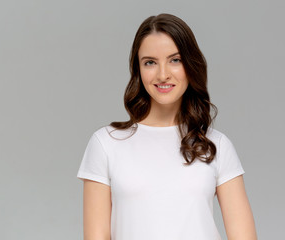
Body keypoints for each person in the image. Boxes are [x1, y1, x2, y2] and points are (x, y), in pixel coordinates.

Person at [76, 13, 257, 240]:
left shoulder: (216, 145)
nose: (163, 74)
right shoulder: (106, 144)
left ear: (191, 65)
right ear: (138, 70)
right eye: (150, 62)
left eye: (175, 60)